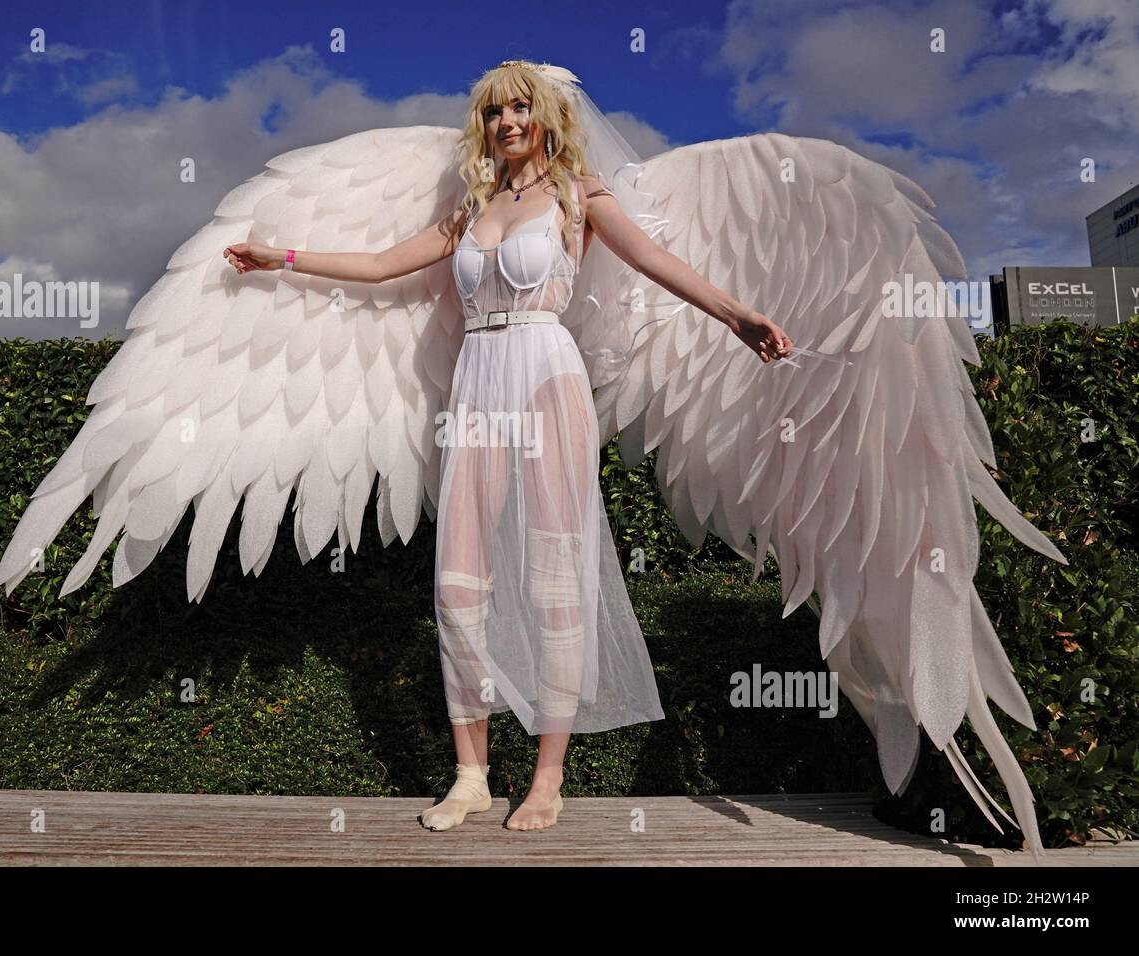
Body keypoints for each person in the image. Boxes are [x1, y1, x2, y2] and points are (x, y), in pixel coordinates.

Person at [222, 60, 791, 832]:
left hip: (545, 376)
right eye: (495, 112)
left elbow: (656, 263)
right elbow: (384, 265)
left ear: (549, 116)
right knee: (460, 581)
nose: (508, 123)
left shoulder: (579, 197)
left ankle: (549, 777)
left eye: (522, 108)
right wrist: (280, 257)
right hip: (478, 384)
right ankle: (471, 775)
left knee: (555, 573)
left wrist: (736, 316)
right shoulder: (473, 206)